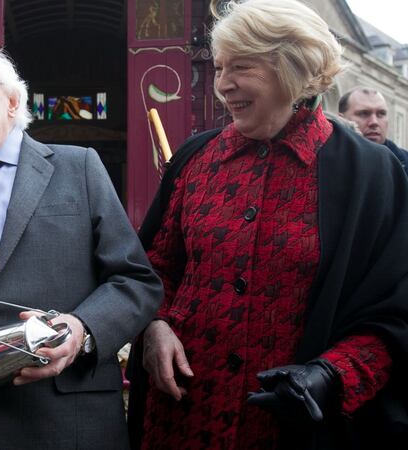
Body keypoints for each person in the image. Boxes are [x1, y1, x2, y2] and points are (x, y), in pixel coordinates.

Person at [128, 1, 408, 449]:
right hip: (181, 416)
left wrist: (331, 375)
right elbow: (152, 268)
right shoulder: (196, 159)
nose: (223, 85)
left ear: (295, 67)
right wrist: (155, 326)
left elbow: (395, 313)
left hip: (297, 427)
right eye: (219, 68)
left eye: (241, 67)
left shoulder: (371, 174)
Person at [0, 47, 163, 450]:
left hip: (70, 424)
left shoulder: (79, 168)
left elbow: (136, 280)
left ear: (11, 101)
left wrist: (80, 331)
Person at [339, 87, 408, 172]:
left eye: (381, 114)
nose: (374, 122)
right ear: (341, 119)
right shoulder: (325, 159)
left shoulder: (404, 162)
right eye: (364, 113)